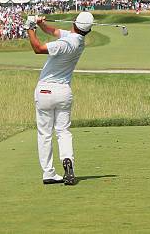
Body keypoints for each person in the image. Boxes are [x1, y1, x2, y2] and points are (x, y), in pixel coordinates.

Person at [25, 11, 94, 186]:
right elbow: (54, 31)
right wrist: (41, 24)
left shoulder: (65, 43)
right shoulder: (79, 41)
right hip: (64, 92)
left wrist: (30, 28)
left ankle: (48, 173)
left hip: (45, 91)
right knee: (63, 131)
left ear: (74, 23)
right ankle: (68, 161)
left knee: (45, 134)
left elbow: (38, 49)